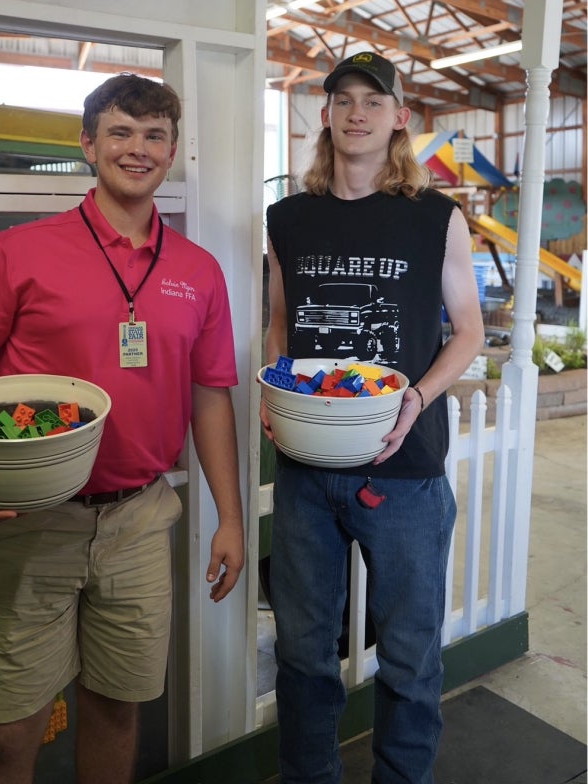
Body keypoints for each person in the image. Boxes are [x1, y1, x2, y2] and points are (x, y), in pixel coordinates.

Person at [0, 73, 245, 784]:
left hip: (139, 521)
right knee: (8, 737)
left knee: (117, 713)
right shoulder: (20, 253)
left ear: (173, 151)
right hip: (31, 522)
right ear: (88, 144)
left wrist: (231, 518)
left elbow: (211, 396)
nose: (138, 148)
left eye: (155, 135)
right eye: (121, 132)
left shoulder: (199, 271)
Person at [261, 52, 484, 784]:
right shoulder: (288, 219)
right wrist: (273, 388)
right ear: (324, 114)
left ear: (399, 118)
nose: (357, 112)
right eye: (342, 99)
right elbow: (280, 325)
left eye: (373, 100)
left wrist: (416, 396)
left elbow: (469, 332)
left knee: (412, 655)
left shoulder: (436, 219)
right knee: (302, 652)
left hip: (405, 472)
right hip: (306, 471)